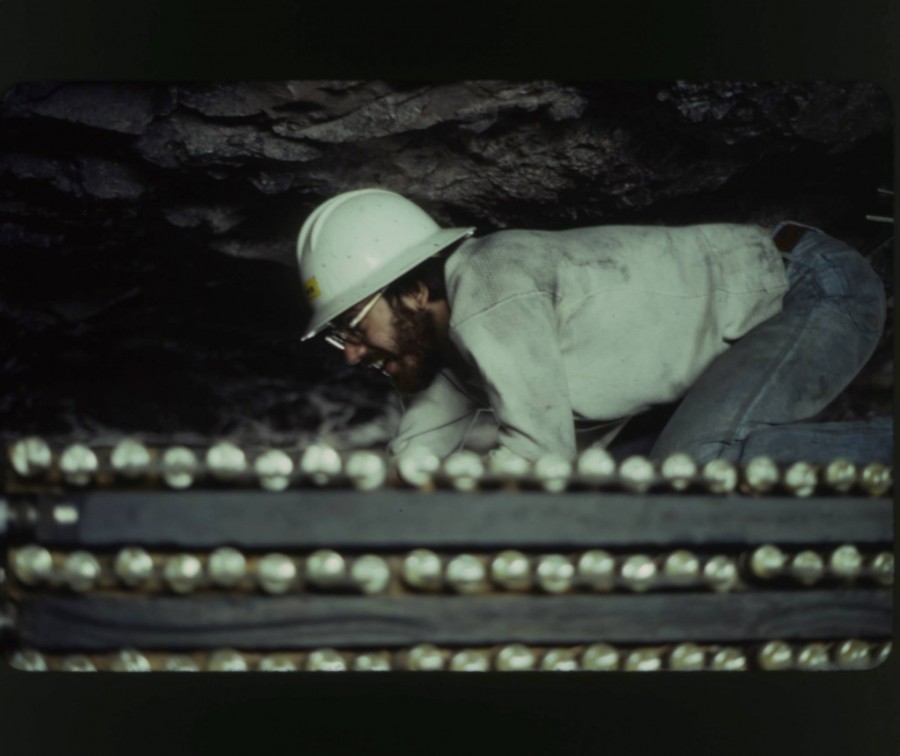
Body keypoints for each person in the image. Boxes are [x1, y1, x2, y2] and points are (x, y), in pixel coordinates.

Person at [297, 188, 891, 465]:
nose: (349, 355)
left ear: (415, 289)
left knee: (699, 465)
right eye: (337, 336)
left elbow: (539, 456)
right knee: (650, 494)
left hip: (809, 289)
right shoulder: (443, 350)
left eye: (351, 324)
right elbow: (416, 462)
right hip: (771, 316)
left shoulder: (490, 286)